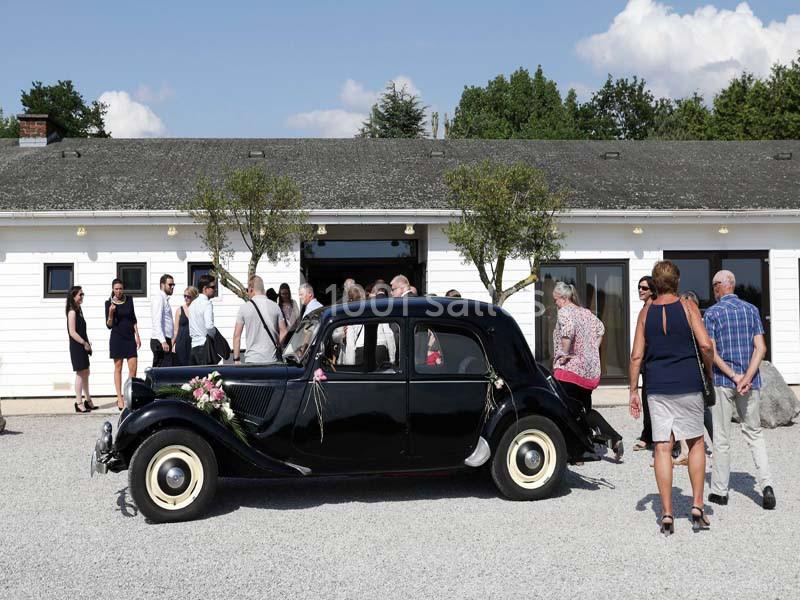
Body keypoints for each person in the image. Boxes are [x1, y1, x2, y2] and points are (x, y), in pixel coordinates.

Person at [629, 260, 714, 534]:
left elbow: (636, 355)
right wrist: (709, 371)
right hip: (688, 381)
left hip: (657, 386)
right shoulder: (688, 307)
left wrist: (632, 389)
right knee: (696, 442)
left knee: (662, 447)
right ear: (676, 282)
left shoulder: (645, 313)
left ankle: (666, 513)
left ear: (654, 284)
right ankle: (697, 506)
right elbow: (705, 344)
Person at [704, 270, 775, 510]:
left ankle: (720, 491)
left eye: (714, 286)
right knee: (754, 434)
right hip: (750, 382)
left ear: (718, 287)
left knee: (721, 437)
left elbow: (710, 351)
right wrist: (746, 377)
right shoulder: (752, 310)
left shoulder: (713, 313)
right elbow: (761, 348)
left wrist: (734, 376)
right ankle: (766, 485)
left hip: (725, 382)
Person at [551, 281, 624, 462]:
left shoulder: (565, 312)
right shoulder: (586, 313)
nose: (555, 304)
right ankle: (613, 437)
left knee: (565, 410)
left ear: (564, 298)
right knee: (585, 410)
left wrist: (564, 354)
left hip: (569, 369)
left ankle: (576, 453)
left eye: (556, 300)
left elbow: (568, 332)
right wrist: (591, 351)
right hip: (588, 370)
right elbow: (601, 329)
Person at [233, 276, 286, 364]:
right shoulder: (275, 306)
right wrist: (277, 345)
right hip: (271, 359)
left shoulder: (244, 308)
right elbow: (284, 331)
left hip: (252, 359)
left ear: (251, 289)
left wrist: (237, 359)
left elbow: (236, 336)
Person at [105, 278, 140, 410]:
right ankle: (119, 398)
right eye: (116, 289)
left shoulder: (129, 300)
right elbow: (109, 325)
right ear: (113, 289)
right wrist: (111, 312)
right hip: (117, 338)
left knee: (133, 368)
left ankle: (129, 395)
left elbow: (133, 319)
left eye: (120, 288)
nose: (118, 291)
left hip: (130, 337)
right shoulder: (108, 303)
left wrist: (137, 335)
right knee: (118, 367)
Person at [633, 276, 657, 452]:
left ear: (652, 290)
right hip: (645, 360)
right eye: (639, 287)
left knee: (654, 400)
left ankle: (659, 438)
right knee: (646, 399)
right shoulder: (644, 308)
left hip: (654, 359)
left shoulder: (654, 308)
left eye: (644, 288)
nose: (640, 290)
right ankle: (647, 435)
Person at [67, 285, 95, 413]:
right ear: (74, 297)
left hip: (83, 345)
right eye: (80, 294)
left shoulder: (79, 310)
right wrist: (84, 343)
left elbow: (82, 330)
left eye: (82, 294)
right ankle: (78, 402)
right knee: (80, 373)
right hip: (77, 346)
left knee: (86, 372)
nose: (82, 296)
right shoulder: (72, 312)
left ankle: (88, 400)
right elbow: (72, 332)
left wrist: (88, 343)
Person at [188, 275, 218, 366]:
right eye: (213, 287)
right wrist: (214, 336)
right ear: (205, 288)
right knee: (209, 378)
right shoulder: (207, 304)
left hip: (194, 347)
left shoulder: (192, 304)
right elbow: (209, 326)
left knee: (196, 379)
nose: (215, 289)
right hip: (205, 346)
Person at [150, 274, 175, 367]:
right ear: (162, 285)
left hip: (165, 340)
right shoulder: (159, 298)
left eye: (173, 285)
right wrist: (163, 341)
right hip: (160, 341)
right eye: (170, 285)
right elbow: (156, 320)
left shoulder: (165, 299)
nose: (172, 287)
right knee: (161, 372)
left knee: (163, 371)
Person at [172, 286, 197, 366]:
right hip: (181, 342)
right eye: (184, 296)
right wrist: (172, 345)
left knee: (193, 367)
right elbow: (176, 331)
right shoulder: (179, 310)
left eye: (188, 296)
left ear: (193, 296)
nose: (186, 298)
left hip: (193, 343)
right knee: (181, 366)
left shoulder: (197, 309)